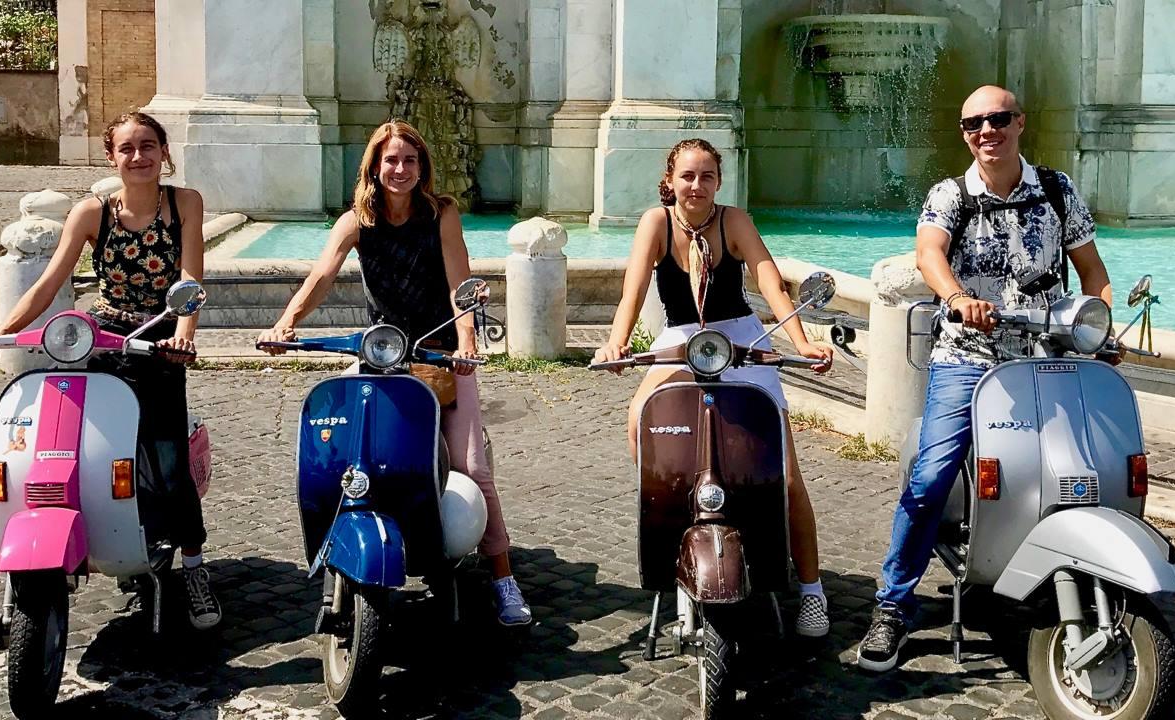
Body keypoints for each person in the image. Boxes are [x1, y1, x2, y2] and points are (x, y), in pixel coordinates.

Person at [857, 85, 1118, 671]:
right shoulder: (950, 194)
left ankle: (1108, 587)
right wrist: (955, 296)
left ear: (1019, 122)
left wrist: (1104, 326)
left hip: (1049, 354)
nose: (986, 131)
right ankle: (892, 606)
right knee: (930, 476)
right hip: (968, 355)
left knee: (1092, 462)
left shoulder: (1055, 189)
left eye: (997, 119)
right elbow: (930, 252)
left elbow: (1093, 270)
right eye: (973, 123)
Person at [257, 120, 532, 627]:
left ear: (422, 167)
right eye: (391, 160)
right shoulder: (357, 220)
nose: (400, 169)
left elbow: (460, 280)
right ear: (374, 166)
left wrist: (466, 343)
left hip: (442, 354)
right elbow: (322, 276)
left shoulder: (440, 214)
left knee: (473, 467)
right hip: (382, 355)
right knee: (346, 452)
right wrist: (287, 322)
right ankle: (341, 554)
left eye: (410, 160)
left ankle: (502, 576)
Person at [0, 111, 221, 630]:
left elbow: (191, 276)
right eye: (128, 148)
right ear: (112, 157)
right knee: (67, 441)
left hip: (159, 339)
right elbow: (48, 282)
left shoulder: (184, 204)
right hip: (98, 337)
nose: (139, 156)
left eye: (148, 146)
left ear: (164, 152)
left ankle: (193, 568)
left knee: (167, 457)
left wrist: (183, 335)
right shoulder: (91, 213)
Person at [592, 138, 836, 637]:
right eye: (687, 176)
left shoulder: (735, 221)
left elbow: (769, 281)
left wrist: (802, 340)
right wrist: (615, 345)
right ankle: (678, 528)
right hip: (683, 338)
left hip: (741, 335)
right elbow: (633, 290)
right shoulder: (656, 223)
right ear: (670, 180)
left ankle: (811, 589)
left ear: (719, 181)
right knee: (641, 421)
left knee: (784, 468)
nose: (696, 186)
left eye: (706, 176)